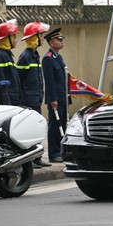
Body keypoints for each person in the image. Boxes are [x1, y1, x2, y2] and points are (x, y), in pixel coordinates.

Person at [17, 21, 52, 168]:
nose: (43, 38)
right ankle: (30, 159)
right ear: (34, 37)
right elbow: (19, 80)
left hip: (36, 99)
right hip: (28, 101)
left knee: (37, 130)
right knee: (30, 131)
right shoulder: (25, 57)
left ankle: (37, 157)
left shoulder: (35, 55)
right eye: (41, 35)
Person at [42, 28, 68, 163]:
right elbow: (50, 81)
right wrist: (53, 99)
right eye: (59, 40)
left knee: (63, 125)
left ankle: (61, 150)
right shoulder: (48, 59)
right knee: (54, 125)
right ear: (51, 43)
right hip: (55, 99)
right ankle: (54, 153)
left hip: (63, 96)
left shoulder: (59, 57)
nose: (62, 42)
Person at [0, 19, 21, 105]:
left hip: (13, 100)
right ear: (7, 39)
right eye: (14, 37)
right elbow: (0, 82)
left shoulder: (7, 55)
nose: (16, 40)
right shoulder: (0, 56)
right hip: (7, 102)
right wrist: (7, 103)